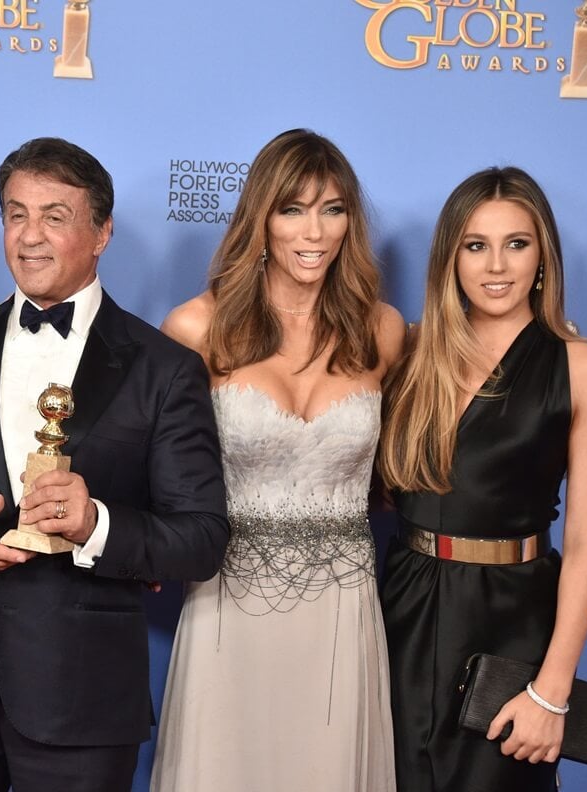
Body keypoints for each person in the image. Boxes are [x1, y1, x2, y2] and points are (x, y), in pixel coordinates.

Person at [0, 137, 229, 792]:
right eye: (15, 214)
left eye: (54, 216)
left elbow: (200, 540)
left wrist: (96, 526)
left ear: (102, 232)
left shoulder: (164, 369)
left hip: (82, 698)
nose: (30, 237)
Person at [151, 129, 403, 791]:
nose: (313, 231)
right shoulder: (195, 329)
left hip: (341, 612)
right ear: (259, 218)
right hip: (226, 604)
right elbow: (154, 474)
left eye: (333, 208)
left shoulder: (384, 331)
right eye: (292, 208)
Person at [377, 167, 587, 791]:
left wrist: (552, 691)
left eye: (517, 243)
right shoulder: (410, 350)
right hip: (399, 602)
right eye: (475, 245)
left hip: (513, 619)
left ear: (543, 256)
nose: (496, 266)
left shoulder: (583, 368)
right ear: (450, 257)